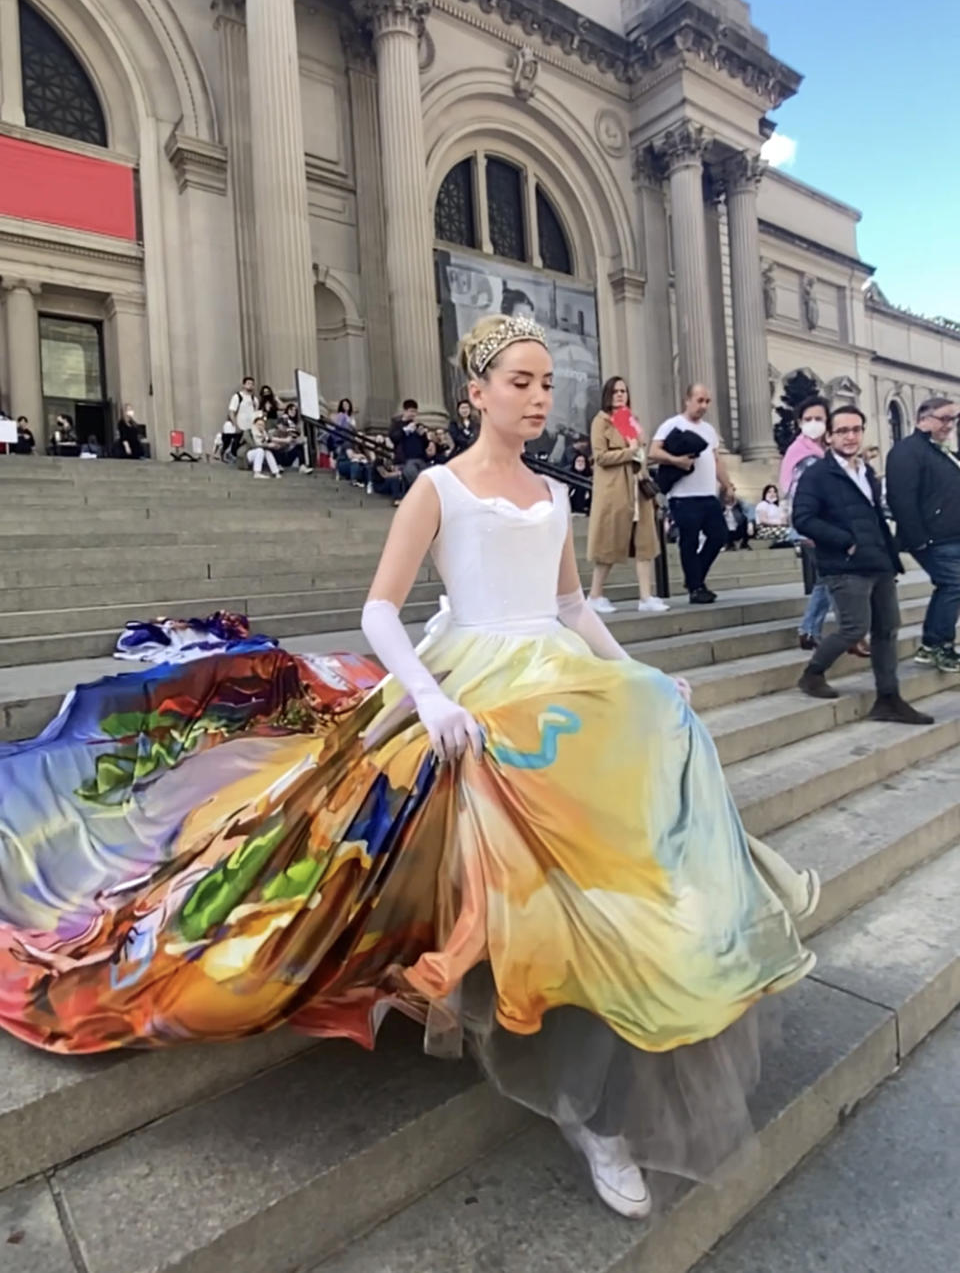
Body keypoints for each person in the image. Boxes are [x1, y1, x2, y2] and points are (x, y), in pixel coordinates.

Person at [0, 311, 817, 1225]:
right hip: (468, 677)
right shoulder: (436, 485)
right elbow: (381, 611)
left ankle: (597, 1089)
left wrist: (638, 675)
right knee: (493, 861)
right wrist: (429, 698)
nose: (539, 396)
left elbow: (573, 607)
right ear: (476, 393)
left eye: (547, 383)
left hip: (558, 686)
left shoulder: (552, 495)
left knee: (608, 860)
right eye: (520, 381)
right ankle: (565, 1083)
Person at [792, 405, 932, 724]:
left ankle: (888, 698)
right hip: (844, 564)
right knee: (854, 627)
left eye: (856, 429)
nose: (850, 436)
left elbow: (873, 516)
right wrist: (845, 541)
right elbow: (803, 518)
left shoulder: (866, 471)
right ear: (829, 436)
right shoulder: (817, 474)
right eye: (842, 431)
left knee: (887, 628)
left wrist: (891, 551)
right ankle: (812, 674)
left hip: (878, 560)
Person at [885, 396, 960, 675]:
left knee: (952, 586)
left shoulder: (941, 452)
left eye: (953, 419)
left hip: (950, 535)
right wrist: (919, 538)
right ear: (923, 419)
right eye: (944, 419)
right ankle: (937, 644)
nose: (949, 425)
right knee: (953, 584)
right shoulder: (907, 451)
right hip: (933, 537)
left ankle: (934, 645)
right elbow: (901, 498)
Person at [587, 376, 666, 615]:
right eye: (616, 391)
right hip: (614, 490)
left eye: (623, 391)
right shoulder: (600, 422)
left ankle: (646, 596)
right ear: (608, 395)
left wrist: (641, 469)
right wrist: (628, 452)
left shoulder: (630, 420)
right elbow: (600, 457)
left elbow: (640, 452)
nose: (620, 395)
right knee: (608, 544)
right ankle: (595, 594)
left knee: (644, 544)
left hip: (637, 488)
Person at [650, 384, 732, 604]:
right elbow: (653, 451)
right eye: (699, 400)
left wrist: (728, 485)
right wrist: (677, 461)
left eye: (707, 401)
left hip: (708, 494)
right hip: (683, 496)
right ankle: (696, 587)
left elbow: (716, 460)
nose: (703, 405)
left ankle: (694, 577)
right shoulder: (672, 424)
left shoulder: (709, 430)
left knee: (719, 535)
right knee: (689, 540)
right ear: (687, 400)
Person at [779, 397, 835, 650]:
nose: (813, 424)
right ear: (799, 423)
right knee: (830, 577)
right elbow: (800, 494)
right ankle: (811, 628)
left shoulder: (821, 452)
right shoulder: (803, 454)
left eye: (819, 419)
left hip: (822, 525)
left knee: (827, 577)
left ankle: (810, 629)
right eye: (808, 419)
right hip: (813, 525)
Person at [389, 399, 430, 490]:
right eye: (411, 411)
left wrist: (423, 436)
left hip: (421, 459)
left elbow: (426, 445)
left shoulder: (418, 425)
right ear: (405, 411)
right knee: (414, 478)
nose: (413, 414)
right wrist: (405, 430)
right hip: (405, 460)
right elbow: (394, 438)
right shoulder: (397, 424)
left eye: (415, 412)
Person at [224, 376, 258, 462]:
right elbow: (231, 411)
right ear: (244, 385)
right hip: (240, 425)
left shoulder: (255, 399)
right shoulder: (238, 396)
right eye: (248, 383)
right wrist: (235, 424)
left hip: (250, 427)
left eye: (252, 384)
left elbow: (256, 413)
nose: (250, 386)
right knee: (237, 443)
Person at [245, 414, 281, 478]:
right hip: (248, 454)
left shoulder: (265, 434)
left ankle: (276, 472)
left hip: (259, 454)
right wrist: (267, 445)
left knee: (267, 452)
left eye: (262, 425)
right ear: (254, 424)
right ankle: (257, 473)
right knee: (260, 450)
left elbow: (269, 443)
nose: (260, 426)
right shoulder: (249, 432)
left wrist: (274, 446)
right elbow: (253, 445)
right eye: (259, 424)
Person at [722, 485, 754, 550]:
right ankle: (728, 544)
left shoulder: (739, 502)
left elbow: (751, 510)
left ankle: (744, 544)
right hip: (725, 531)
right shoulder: (720, 505)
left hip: (737, 529)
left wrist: (750, 523)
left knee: (747, 521)